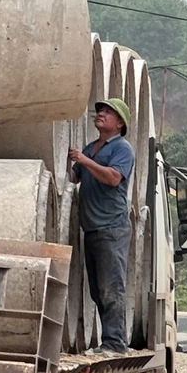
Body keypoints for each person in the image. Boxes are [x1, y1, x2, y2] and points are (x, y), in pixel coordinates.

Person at [68, 98, 135, 354]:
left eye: (108, 112)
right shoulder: (92, 147)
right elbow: (74, 178)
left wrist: (84, 160)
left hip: (111, 227)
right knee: (97, 289)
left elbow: (113, 178)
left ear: (120, 123)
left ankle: (115, 343)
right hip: (93, 227)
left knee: (111, 287)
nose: (101, 114)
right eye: (99, 111)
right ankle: (109, 340)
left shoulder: (122, 149)